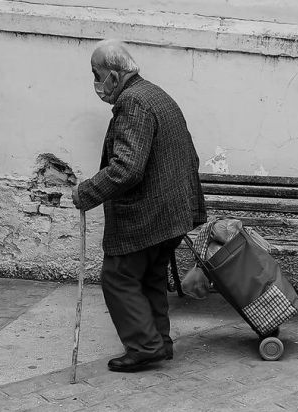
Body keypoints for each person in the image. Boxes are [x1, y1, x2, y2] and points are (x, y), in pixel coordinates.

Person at [72, 39, 206, 372]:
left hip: (149, 213)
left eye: (97, 74)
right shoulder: (154, 94)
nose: (96, 83)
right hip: (173, 212)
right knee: (149, 277)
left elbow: (127, 168)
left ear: (114, 77)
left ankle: (145, 346)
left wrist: (87, 192)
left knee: (118, 276)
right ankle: (160, 342)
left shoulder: (133, 102)